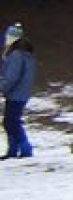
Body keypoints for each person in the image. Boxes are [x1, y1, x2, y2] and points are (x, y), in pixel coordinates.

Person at [2, 24, 37, 160]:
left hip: (16, 94)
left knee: (11, 121)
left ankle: (24, 148)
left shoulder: (16, 55)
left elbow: (11, 77)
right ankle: (14, 149)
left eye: (9, 36)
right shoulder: (26, 54)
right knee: (10, 121)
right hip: (22, 93)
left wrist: (3, 88)